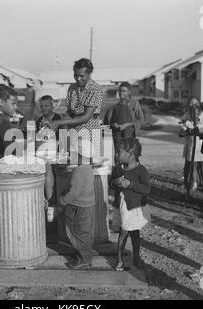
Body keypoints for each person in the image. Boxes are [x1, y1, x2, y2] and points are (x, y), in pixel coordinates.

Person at [110, 137, 150, 271]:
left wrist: (130, 184)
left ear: (131, 155)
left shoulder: (141, 170)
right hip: (121, 206)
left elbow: (146, 189)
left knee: (133, 233)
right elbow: (111, 182)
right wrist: (115, 182)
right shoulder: (117, 169)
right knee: (123, 232)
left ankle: (135, 259)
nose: (117, 155)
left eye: (120, 152)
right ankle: (120, 259)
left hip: (134, 207)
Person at [49, 58, 103, 154]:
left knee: (87, 165)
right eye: (75, 75)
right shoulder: (72, 88)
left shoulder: (94, 89)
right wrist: (60, 130)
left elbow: (85, 118)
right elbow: (69, 113)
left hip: (89, 133)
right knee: (69, 163)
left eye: (82, 76)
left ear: (89, 74)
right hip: (73, 133)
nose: (78, 78)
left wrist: (59, 122)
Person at [58, 139, 95, 270]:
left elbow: (74, 192)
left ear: (79, 155)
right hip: (88, 205)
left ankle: (84, 259)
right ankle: (82, 255)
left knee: (76, 232)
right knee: (85, 232)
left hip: (77, 206)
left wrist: (62, 200)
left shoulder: (78, 171)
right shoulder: (88, 168)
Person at [104, 82, 144, 163]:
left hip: (131, 134)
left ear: (129, 92)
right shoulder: (115, 106)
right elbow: (107, 122)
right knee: (119, 156)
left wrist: (126, 125)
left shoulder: (134, 104)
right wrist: (113, 125)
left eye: (124, 91)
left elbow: (141, 119)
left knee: (131, 154)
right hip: (118, 136)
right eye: (120, 91)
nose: (121, 93)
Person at [180, 97, 203, 193]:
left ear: (199, 104)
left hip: (200, 145)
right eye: (191, 104)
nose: (193, 106)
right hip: (190, 144)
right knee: (189, 164)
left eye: (195, 103)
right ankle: (189, 182)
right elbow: (182, 128)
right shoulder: (188, 114)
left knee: (202, 165)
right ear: (188, 105)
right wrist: (187, 127)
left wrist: (198, 129)